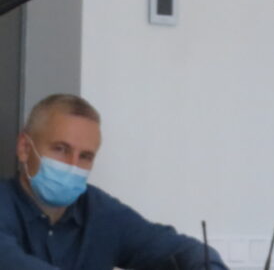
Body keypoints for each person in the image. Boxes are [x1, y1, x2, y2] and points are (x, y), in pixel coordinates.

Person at [0, 93, 228, 270]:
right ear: (25, 148)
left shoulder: (100, 212)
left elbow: (179, 250)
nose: (73, 165)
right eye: (61, 149)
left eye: (85, 156)